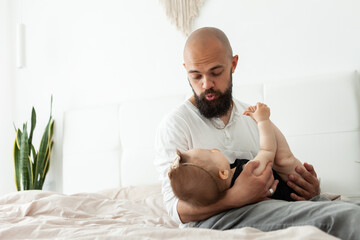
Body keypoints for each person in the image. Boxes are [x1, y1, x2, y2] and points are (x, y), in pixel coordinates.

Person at [154, 27, 360, 239]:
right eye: (196, 76)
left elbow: (283, 162)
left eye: (216, 72)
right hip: (219, 218)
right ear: (186, 69)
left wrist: (309, 189)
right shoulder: (176, 124)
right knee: (346, 217)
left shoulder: (252, 116)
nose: (206, 84)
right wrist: (236, 196)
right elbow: (176, 209)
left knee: (345, 209)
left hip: (269, 205)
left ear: (233, 64)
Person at [168, 102, 301, 206]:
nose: (214, 149)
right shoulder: (248, 173)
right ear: (223, 173)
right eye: (210, 152)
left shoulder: (221, 189)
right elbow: (268, 150)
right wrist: (263, 121)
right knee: (284, 158)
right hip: (293, 196)